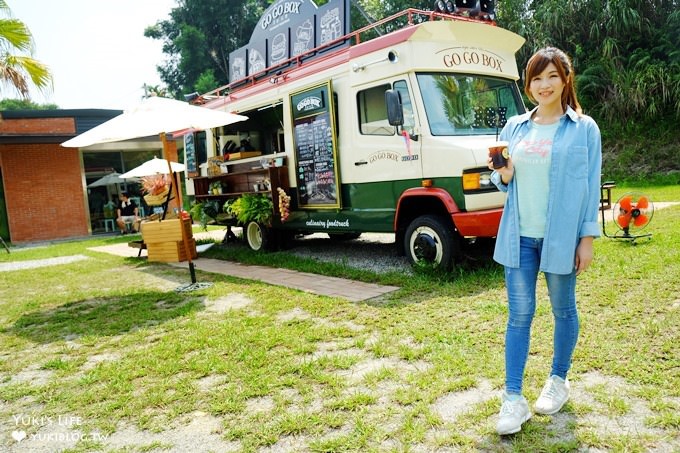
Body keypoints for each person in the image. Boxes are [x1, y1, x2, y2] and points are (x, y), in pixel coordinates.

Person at [489, 47, 602, 435]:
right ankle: (513, 398)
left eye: (551, 76)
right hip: (519, 236)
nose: (544, 85)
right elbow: (500, 180)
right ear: (529, 84)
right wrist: (502, 174)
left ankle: (558, 379)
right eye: (536, 78)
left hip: (561, 237)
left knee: (563, 310)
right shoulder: (515, 127)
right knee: (519, 315)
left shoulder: (583, 128)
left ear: (565, 78)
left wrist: (586, 238)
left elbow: (590, 184)